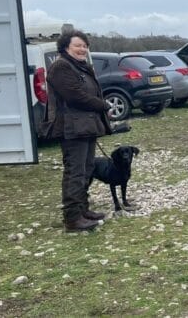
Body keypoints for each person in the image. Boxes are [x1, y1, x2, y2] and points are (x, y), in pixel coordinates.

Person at [46, 30, 113, 232]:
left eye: (85, 46)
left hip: (86, 126)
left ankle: (83, 209)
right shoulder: (61, 67)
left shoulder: (80, 66)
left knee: (86, 168)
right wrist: (103, 105)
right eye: (78, 45)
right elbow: (75, 96)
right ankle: (72, 217)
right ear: (66, 47)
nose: (82, 49)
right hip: (72, 128)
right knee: (75, 172)